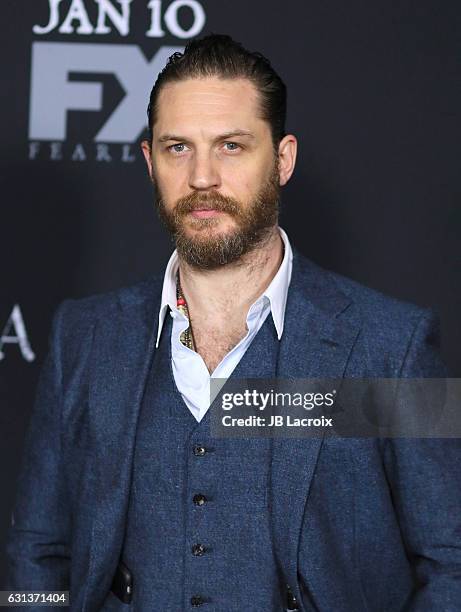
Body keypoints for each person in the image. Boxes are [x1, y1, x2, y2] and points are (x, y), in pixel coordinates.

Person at [6, 34, 461, 611]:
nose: (202, 177)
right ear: (150, 162)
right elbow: (35, 554)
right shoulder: (85, 336)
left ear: (283, 158)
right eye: (177, 147)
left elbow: (452, 563)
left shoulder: (395, 344)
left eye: (230, 146)